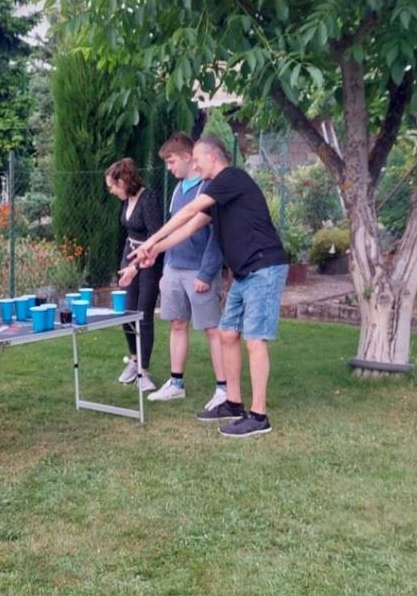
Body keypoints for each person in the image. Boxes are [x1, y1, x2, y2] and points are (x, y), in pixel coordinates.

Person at [131, 135, 288, 438]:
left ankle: (259, 416)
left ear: (212, 157)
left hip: (264, 267)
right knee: (227, 334)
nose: (196, 164)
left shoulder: (230, 178)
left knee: (254, 340)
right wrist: (154, 251)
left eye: (198, 159)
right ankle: (233, 403)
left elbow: (187, 213)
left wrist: (150, 240)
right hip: (244, 272)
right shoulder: (217, 193)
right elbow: (189, 227)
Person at [147, 132, 228, 411]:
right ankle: (176, 384)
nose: (169, 168)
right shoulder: (178, 190)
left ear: (187, 157)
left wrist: (206, 273)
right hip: (174, 269)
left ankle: (224, 389)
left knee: (212, 329)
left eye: (171, 162)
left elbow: (217, 236)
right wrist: (166, 269)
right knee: (177, 324)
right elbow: (174, 231)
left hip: (199, 272)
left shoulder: (209, 187)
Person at [105, 157, 164, 392]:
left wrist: (137, 266)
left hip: (149, 261)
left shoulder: (148, 199)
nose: (110, 191)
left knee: (143, 314)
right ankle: (134, 360)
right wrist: (126, 263)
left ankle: (144, 372)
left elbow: (156, 237)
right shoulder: (126, 199)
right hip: (129, 257)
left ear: (122, 181)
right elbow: (130, 234)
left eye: (112, 185)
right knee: (127, 312)